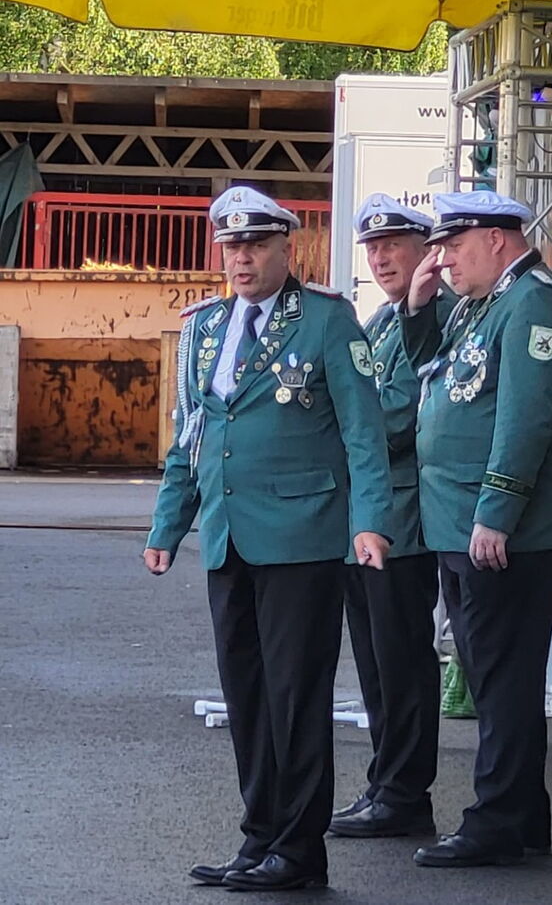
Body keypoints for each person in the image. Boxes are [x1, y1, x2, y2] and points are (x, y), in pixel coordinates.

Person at [143, 186, 393, 893]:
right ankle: (259, 836)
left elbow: (364, 433)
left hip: (302, 539)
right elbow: (190, 437)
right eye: (231, 247)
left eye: (255, 245)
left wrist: (370, 520)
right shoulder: (206, 327)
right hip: (229, 538)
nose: (241, 259)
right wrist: (168, 525)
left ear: (288, 248)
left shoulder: (327, 321)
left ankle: (299, 849)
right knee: (247, 696)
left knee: (296, 698)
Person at [401, 189, 552, 868]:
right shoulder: (482, 303)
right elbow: (436, 374)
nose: (444, 259)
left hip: (500, 528)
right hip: (459, 519)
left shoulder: (535, 302)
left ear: (497, 240)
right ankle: (523, 815)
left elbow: (526, 418)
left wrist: (496, 512)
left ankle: (497, 821)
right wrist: (417, 308)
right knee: (493, 675)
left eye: (454, 245)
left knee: (502, 680)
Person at [330, 193, 456, 840]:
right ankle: (386, 783)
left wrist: (334, 431)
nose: (380, 258)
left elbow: (398, 416)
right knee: (377, 663)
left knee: (401, 660)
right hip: (366, 515)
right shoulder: (382, 319)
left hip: (402, 518)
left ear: (424, 250)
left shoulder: (431, 316)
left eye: (392, 246)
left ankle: (404, 792)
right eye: (372, 248)